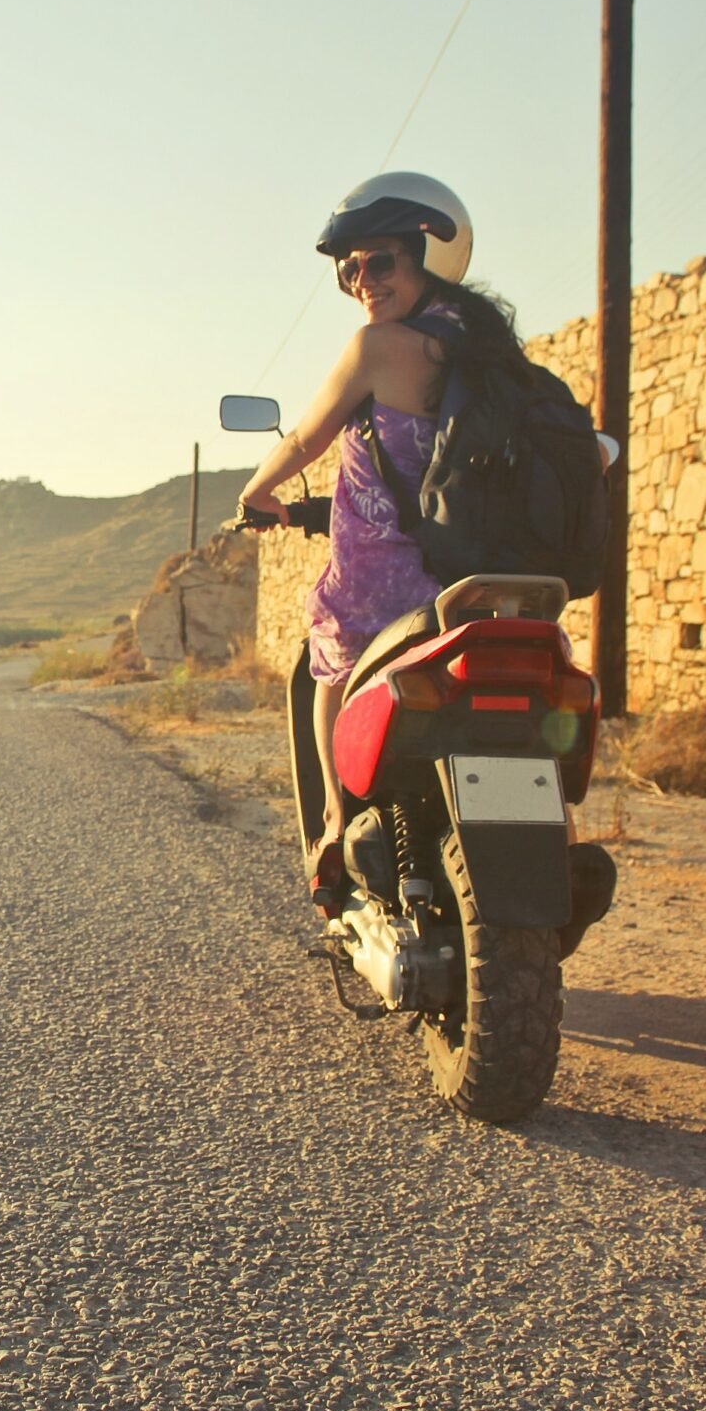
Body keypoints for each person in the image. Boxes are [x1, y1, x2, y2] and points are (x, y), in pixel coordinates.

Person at [238, 172, 539, 910]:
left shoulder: (379, 347)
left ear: (425, 259)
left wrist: (257, 492)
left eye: (380, 262)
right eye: (350, 269)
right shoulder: (495, 358)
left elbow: (309, 434)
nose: (361, 281)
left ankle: (337, 827)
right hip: (481, 585)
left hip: (391, 589)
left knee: (326, 646)